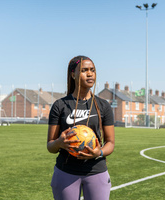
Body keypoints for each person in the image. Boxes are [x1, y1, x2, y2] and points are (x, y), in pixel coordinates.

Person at [47, 55, 115, 200]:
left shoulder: (103, 106)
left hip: (96, 171)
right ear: (73, 74)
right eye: (84, 70)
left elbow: (110, 143)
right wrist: (59, 143)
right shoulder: (60, 105)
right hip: (66, 171)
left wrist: (99, 153)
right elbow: (50, 146)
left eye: (92, 70)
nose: (90, 74)